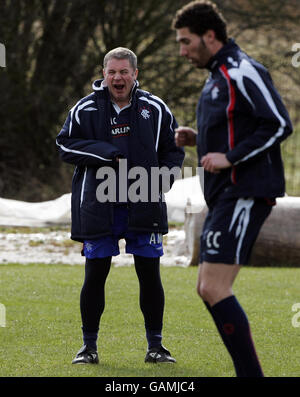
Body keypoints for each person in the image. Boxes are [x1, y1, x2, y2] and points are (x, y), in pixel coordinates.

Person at [172, 0, 293, 377]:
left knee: (213, 286)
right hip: (223, 195)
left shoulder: (242, 70)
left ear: (210, 35)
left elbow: (277, 124)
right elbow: (233, 129)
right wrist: (199, 141)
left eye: (186, 41)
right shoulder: (216, 75)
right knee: (207, 287)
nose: (182, 51)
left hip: (245, 192)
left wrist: (231, 157)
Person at [56, 47, 184, 364]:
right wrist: (105, 152)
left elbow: (173, 149)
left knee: (150, 275)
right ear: (104, 74)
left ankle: (156, 347)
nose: (118, 77)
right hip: (99, 206)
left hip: (144, 203)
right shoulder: (84, 110)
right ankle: (88, 348)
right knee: (95, 275)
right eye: (112, 72)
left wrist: (162, 180)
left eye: (124, 72)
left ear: (135, 74)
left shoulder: (155, 108)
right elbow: (64, 144)